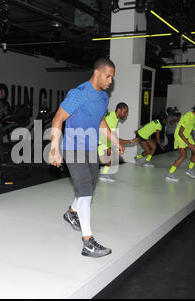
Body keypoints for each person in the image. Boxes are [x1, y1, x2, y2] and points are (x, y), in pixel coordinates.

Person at [49, 57, 125, 258]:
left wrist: (115, 140)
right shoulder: (79, 94)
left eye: (112, 78)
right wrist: (54, 148)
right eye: (108, 76)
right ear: (97, 73)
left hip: (91, 148)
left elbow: (100, 121)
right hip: (74, 148)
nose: (110, 81)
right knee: (86, 194)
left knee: (88, 188)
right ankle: (88, 243)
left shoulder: (103, 98)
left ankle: (71, 213)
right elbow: (58, 118)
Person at [165, 100, 195, 182]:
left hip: (187, 136)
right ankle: (169, 174)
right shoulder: (188, 117)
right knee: (183, 155)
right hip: (180, 136)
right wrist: (189, 144)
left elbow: (188, 130)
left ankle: (189, 170)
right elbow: (180, 132)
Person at [98, 102, 136, 183]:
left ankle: (103, 175)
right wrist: (130, 141)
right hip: (100, 141)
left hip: (104, 141)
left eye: (127, 113)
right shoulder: (111, 119)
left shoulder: (113, 117)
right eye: (125, 112)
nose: (126, 115)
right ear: (119, 110)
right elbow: (113, 138)